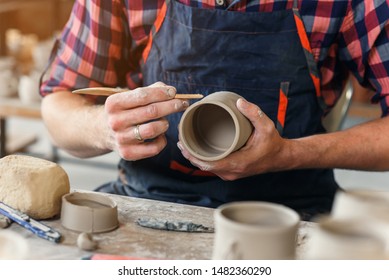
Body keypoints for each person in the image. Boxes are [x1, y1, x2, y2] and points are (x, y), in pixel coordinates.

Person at [40, 0, 389, 220]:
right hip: (149, 200)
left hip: (291, 209)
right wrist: (103, 127)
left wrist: (288, 153)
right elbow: (58, 103)